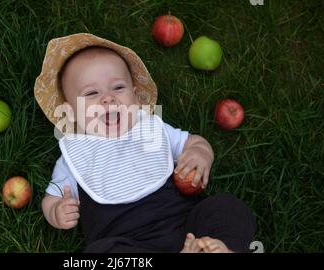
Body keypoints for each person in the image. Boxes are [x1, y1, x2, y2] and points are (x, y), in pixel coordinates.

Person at [34, 33, 256, 253]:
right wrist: (56, 211)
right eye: (92, 93)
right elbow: (52, 198)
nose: (108, 98)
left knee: (227, 209)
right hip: (126, 242)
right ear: (71, 112)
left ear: (136, 97)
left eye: (118, 87)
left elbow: (194, 142)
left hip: (186, 228)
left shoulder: (150, 129)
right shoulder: (74, 156)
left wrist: (200, 152)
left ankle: (219, 249)